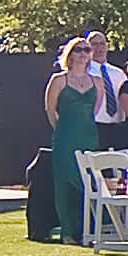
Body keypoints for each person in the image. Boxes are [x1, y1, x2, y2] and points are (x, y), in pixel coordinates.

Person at [43, 37, 100, 243]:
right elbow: (50, 109)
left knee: (88, 182)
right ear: (70, 54)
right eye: (78, 50)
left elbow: (94, 109)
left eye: (87, 50)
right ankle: (68, 231)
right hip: (65, 136)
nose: (83, 54)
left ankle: (87, 230)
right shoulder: (59, 80)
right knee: (66, 182)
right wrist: (61, 130)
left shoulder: (97, 82)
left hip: (89, 136)